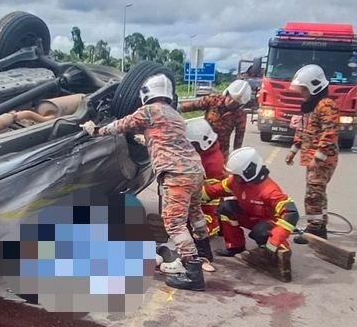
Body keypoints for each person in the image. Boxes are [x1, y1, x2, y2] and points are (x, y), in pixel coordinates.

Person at [83, 74, 213, 291]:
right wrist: (146, 140)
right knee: (195, 213)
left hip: (176, 173)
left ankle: (193, 273)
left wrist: (96, 130)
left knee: (173, 222)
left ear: (147, 93)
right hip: (195, 170)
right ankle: (204, 251)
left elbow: (122, 125)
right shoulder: (175, 115)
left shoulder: (149, 111)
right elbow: (169, 139)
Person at [205, 147, 298, 262]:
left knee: (260, 232)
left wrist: (275, 240)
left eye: (237, 175)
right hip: (251, 216)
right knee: (226, 208)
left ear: (248, 172)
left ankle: (276, 250)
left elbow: (291, 213)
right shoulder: (238, 181)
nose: (234, 177)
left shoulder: (269, 190)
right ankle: (235, 246)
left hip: (269, 222)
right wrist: (195, 196)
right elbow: (216, 190)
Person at [283, 64, 340, 242]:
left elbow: (330, 133)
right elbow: (303, 130)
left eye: (304, 90)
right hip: (312, 158)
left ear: (314, 87)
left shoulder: (326, 105)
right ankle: (319, 226)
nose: (302, 93)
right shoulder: (310, 106)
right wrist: (293, 150)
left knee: (313, 194)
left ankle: (314, 230)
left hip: (322, 159)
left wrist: (319, 156)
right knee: (318, 193)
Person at [185, 117, 225, 272]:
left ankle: (200, 256)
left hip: (205, 204)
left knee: (197, 223)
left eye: (192, 144)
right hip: (200, 197)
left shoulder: (213, 163)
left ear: (202, 142)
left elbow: (209, 194)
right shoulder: (207, 152)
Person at [179, 80, 253, 156]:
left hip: (221, 151)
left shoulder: (240, 114)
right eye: (230, 98)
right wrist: (176, 109)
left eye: (235, 102)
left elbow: (239, 137)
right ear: (227, 94)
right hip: (202, 145)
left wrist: (236, 155)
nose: (231, 102)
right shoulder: (213, 100)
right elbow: (193, 105)